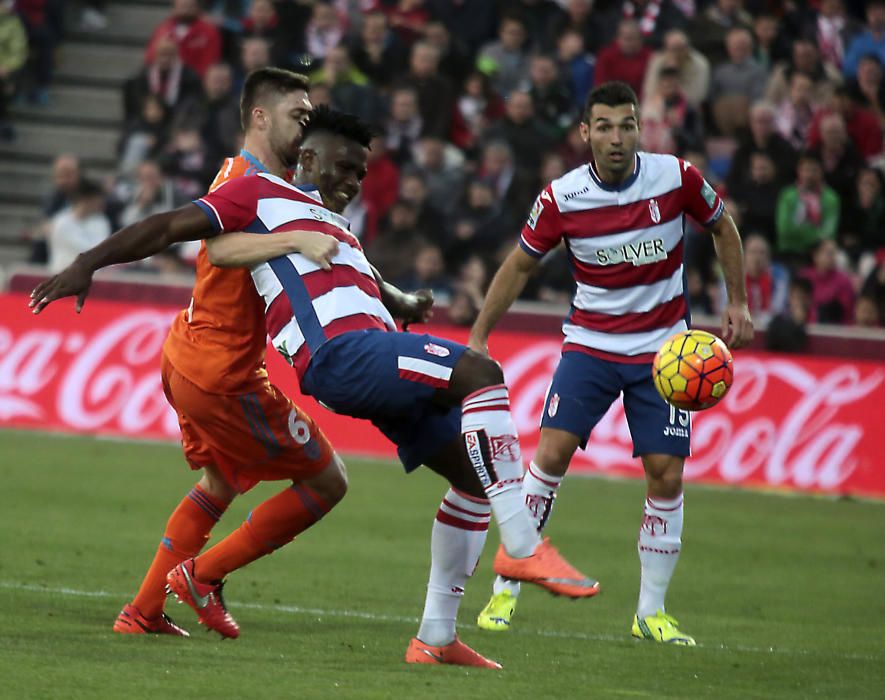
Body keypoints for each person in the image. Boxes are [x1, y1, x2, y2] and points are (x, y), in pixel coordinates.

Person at [201, 106, 602, 669]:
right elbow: (202, 239)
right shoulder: (261, 197)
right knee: (481, 373)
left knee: (471, 479)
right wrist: (89, 265)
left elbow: (354, 279)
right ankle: (522, 545)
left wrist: (401, 301)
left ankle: (435, 637)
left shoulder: (336, 226)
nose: (353, 181)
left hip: (370, 349)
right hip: (338, 355)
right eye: (343, 166)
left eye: (361, 173)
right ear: (308, 158)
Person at [30, 68, 346, 640]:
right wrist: (87, 263)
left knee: (220, 484)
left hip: (185, 356)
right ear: (259, 116)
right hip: (227, 376)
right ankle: (201, 577)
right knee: (329, 482)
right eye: (298, 115)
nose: (307, 127)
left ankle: (142, 613)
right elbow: (185, 236)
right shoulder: (246, 184)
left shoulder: (248, 177)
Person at [468, 81, 754, 644]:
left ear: (638, 129)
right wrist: (479, 334)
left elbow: (723, 225)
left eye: (626, 125)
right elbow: (520, 265)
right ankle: (506, 590)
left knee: (666, 474)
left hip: (665, 352)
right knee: (549, 454)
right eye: (604, 126)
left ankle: (651, 612)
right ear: (585, 133)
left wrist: (738, 301)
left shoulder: (676, 178)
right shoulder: (562, 198)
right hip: (591, 345)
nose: (616, 137)